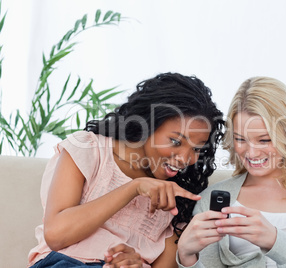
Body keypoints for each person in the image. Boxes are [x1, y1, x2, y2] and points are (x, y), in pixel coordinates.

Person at [28, 72, 224, 268]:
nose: (185, 159)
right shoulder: (89, 150)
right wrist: (134, 188)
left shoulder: (177, 199)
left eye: (197, 149)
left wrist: (135, 265)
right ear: (148, 124)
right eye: (175, 141)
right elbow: (56, 235)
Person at [177, 77, 286, 267]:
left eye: (264, 140)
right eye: (240, 139)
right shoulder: (210, 199)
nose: (251, 152)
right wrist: (187, 258)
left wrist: (275, 241)